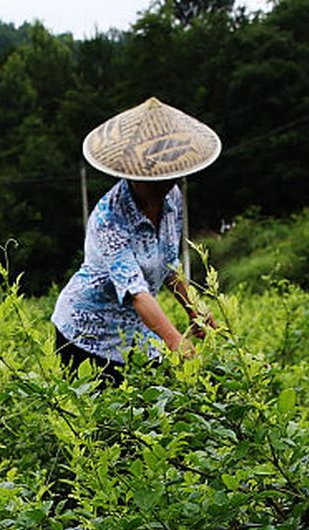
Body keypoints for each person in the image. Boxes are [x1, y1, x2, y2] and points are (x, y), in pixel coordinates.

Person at [50, 97, 220, 385]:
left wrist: (196, 312)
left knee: (158, 412)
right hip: (86, 336)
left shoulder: (173, 198)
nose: (163, 183)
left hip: (134, 331)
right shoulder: (109, 218)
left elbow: (169, 264)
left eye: (169, 176)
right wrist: (176, 341)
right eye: (153, 178)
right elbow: (137, 292)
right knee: (102, 423)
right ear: (130, 173)